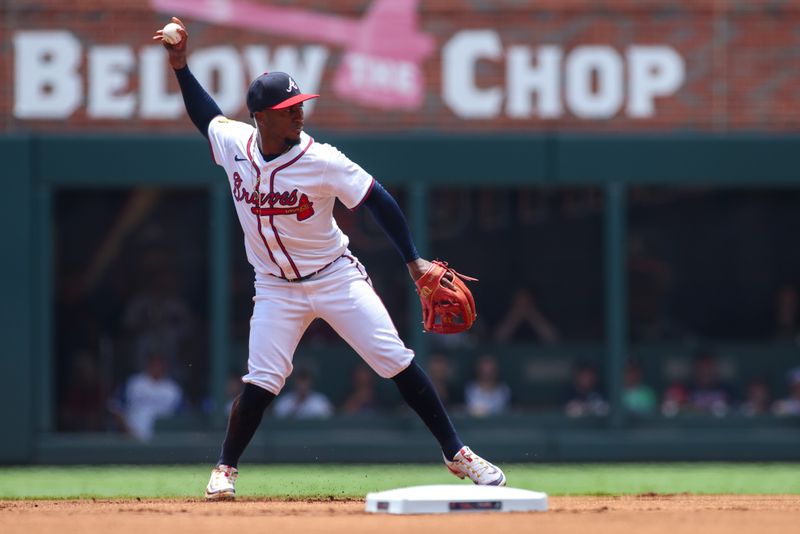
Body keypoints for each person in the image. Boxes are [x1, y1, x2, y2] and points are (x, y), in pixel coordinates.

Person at [153, 18, 506, 499]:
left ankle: (457, 453)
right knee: (262, 381)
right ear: (260, 116)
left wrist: (413, 261)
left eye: (299, 105)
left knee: (396, 361)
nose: (298, 114)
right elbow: (204, 116)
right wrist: (180, 65)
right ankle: (225, 469)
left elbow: (377, 199)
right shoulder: (235, 143)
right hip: (275, 286)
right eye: (286, 108)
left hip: (335, 276)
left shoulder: (323, 160)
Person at [121, 351, 183, 441]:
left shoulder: (173, 388)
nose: (157, 367)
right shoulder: (134, 383)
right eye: (154, 364)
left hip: (162, 439)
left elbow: (182, 417)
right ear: (148, 365)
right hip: (133, 436)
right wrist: (127, 430)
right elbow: (116, 408)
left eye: (160, 364)